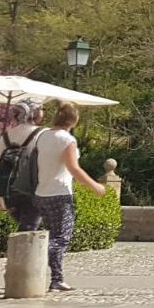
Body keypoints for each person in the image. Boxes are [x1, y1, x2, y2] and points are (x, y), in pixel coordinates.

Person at [31, 102, 107, 291]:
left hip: (42, 192)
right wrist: (94, 186)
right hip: (59, 193)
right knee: (61, 238)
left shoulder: (43, 136)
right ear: (74, 120)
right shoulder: (66, 140)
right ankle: (36, 256)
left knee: (54, 235)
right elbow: (73, 168)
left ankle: (57, 278)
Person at [0, 100, 46, 231]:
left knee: (27, 226)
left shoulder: (6, 137)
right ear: (34, 113)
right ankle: (20, 251)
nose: (43, 112)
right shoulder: (43, 134)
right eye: (42, 109)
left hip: (9, 192)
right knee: (28, 230)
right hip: (33, 190)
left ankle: (26, 249)